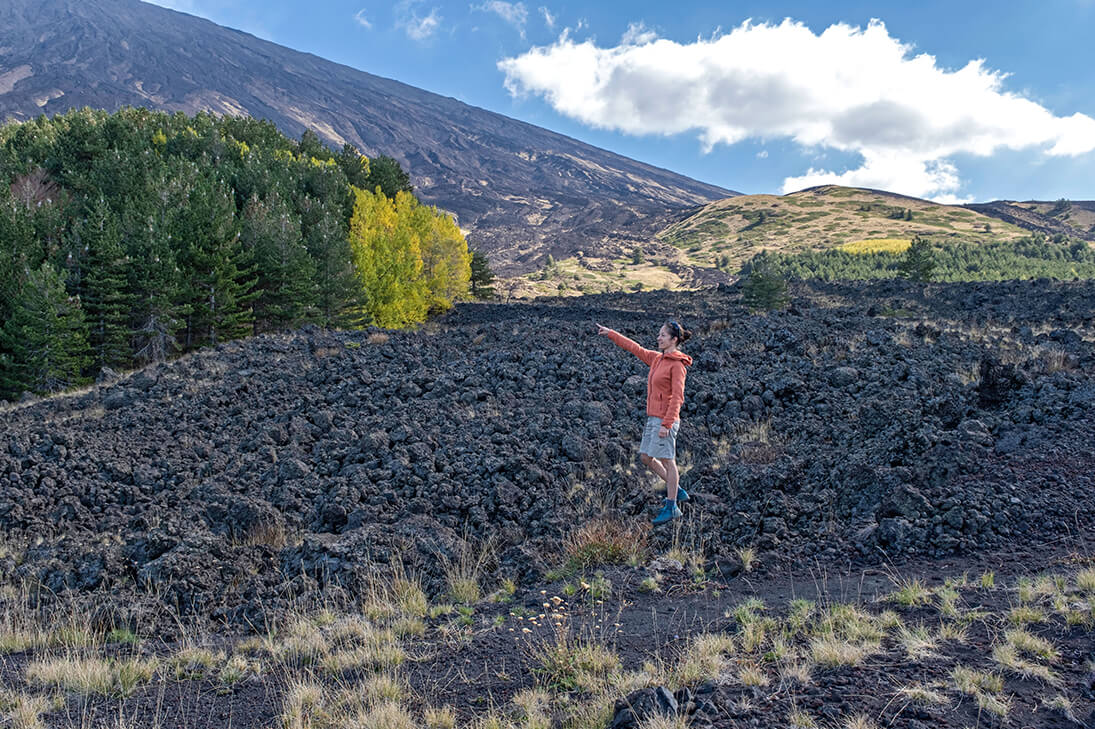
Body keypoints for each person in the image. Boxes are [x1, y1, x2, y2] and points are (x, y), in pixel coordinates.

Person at [596, 319, 693, 524]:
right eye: (659, 334)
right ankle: (676, 489)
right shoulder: (657, 359)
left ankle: (672, 505)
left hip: (666, 420)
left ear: (674, 339)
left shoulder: (677, 365)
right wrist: (612, 333)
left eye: (663, 335)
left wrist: (667, 424)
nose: (658, 338)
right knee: (646, 458)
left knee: (668, 460)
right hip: (653, 417)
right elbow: (635, 348)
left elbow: (678, 397)